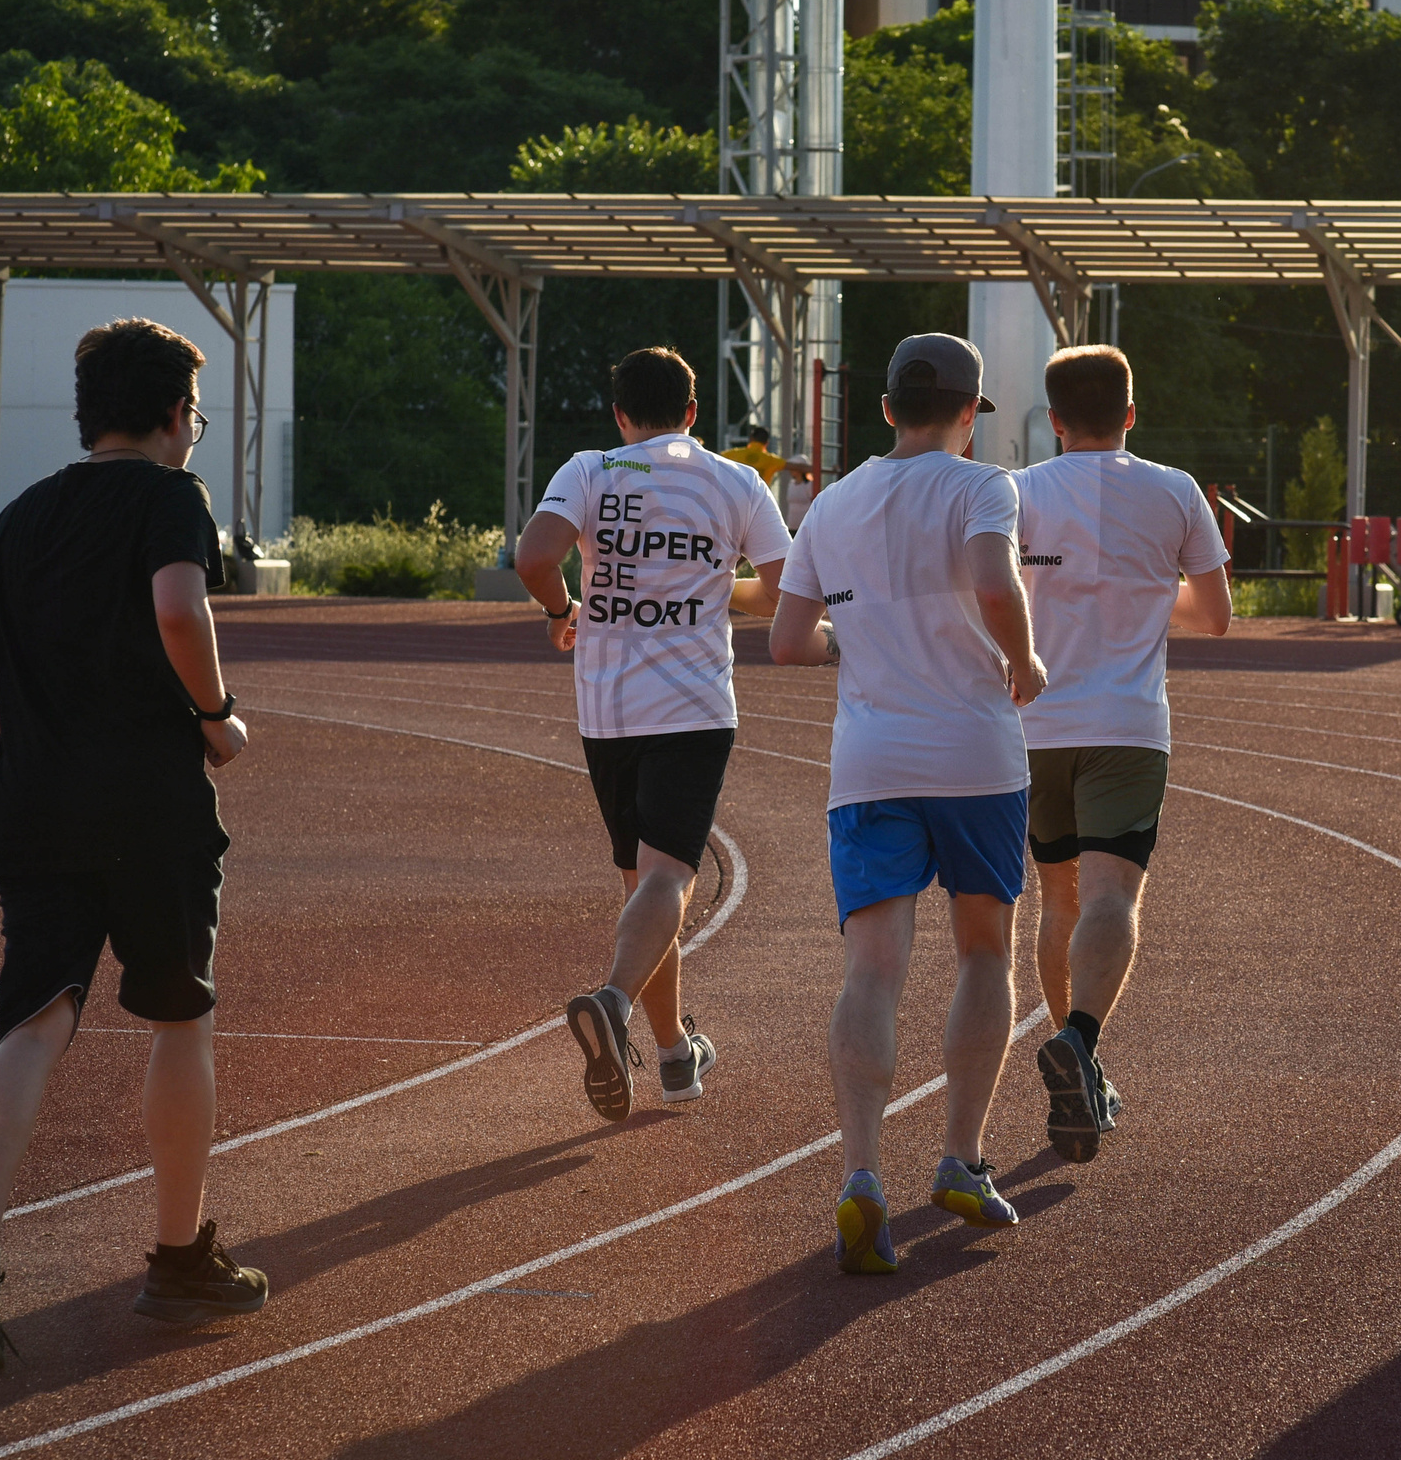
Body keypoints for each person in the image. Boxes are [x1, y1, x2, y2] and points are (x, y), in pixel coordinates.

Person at [0, 318, 266, 1372]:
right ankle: (177, 1255)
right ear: (174, 413)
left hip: (35, 801)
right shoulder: (172, 496)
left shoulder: (27, 513)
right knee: (180, 1017)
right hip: (150, 802)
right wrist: (214, 713)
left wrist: (56, 705)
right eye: (195, 414)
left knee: (35, 1022)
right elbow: (178, 607)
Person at [770, 332, 1047, 1274]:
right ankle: (963, 1157)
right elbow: (993, 578)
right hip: (974, 755)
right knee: (984, 950)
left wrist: (856, 652)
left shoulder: (831, 503)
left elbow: (784, 640)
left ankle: (858, 1175)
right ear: (970, 414)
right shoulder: (983, 485)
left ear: (885, 407)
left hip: (870, 762)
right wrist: (1023, 657)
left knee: (872, 970)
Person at [516, 347, 792, 1121]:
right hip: (693, 709)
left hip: (606, 710)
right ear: (695, 413)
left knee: (646, 886)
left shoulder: (591, 467)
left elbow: (533, 555)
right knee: (669, 880)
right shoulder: (739, 482)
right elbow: (781, 593)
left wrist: (560, 610)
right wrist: (706, 581)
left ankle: (675, 1055)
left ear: (620, 415)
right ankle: (611, 1001)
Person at [1012, 345, 1233, 1163]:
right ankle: (1080, 1041)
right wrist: (1144, 592)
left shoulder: (1019, 492)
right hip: (1129, 726)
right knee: (1115, 898)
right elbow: (1214, 615)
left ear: (1055, 421)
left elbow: (989, 598)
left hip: (1035, 726)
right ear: (1132, 413)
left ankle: (1077, 1055)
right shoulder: (1176, 491)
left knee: (1056, 898)